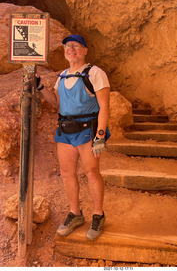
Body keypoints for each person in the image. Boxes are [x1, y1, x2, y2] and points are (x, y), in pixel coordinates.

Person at [36, 34, 110, 241]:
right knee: (66, 172)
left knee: (91, 172)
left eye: (76, 46)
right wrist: (41, 88)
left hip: (88, 130)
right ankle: (75, 213)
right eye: (68, 47)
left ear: (85, 50)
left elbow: (104, 106)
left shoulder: (95, 73)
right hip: (66, 130)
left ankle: (98, 214)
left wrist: (100, 135)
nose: (71, 49)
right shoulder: (62, 76)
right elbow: (57, 104)